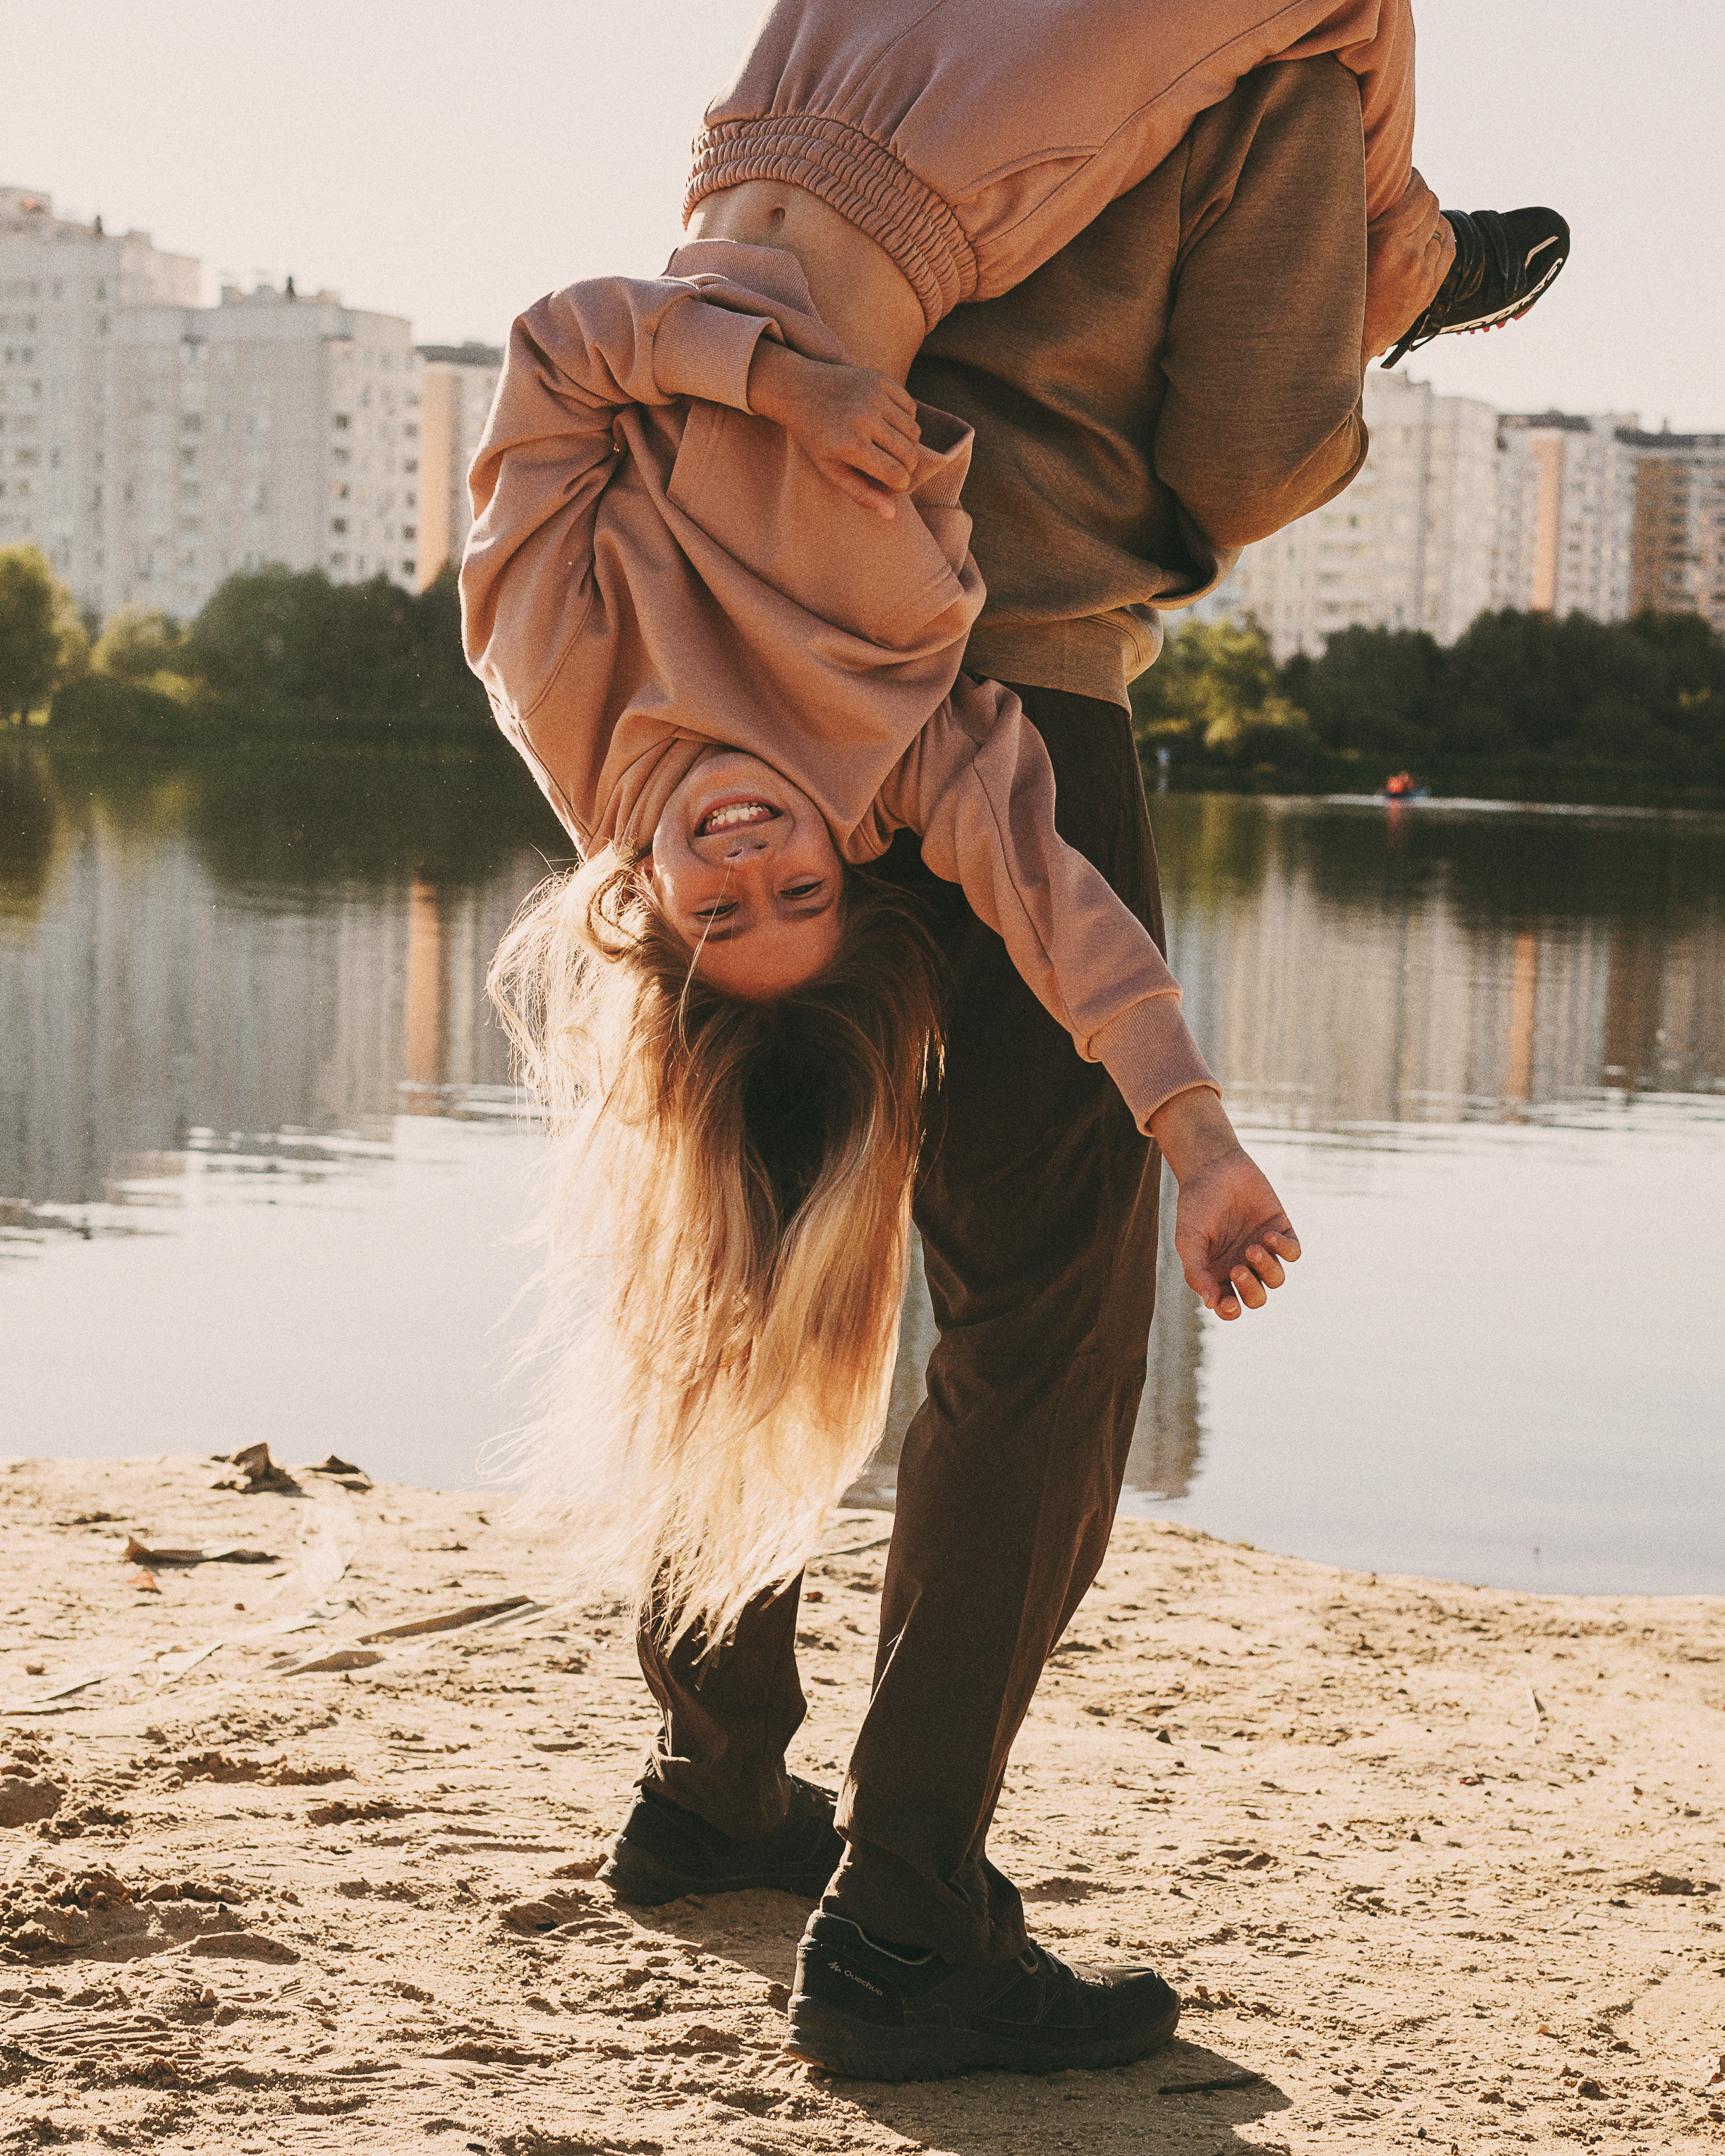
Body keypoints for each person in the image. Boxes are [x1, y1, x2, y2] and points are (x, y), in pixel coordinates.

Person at [463, 0, 1568, 2085]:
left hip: (928, 700)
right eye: (757, 903)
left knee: (751, 1234)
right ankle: (902, 1920)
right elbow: (1251, 434)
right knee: (1042, 1321)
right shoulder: (1256, 56)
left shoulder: (601, 710)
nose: (759, 879)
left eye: (739, 902)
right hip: (1030, 667)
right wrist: (1352, 318)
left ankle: (717, 1787)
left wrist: (781, 376)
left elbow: (579, 363)